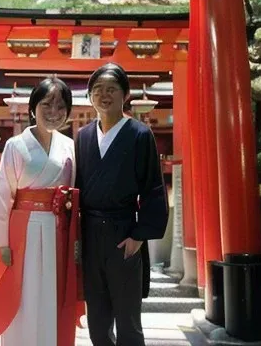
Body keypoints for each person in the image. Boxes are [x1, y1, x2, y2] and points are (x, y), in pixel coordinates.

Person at [75, 63, 168, 346]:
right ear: (90, 95)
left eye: (112, 89)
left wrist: (138, 236)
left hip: (123, 233)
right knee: (97, 320)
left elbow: (153, 187)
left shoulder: (139, 134)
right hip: (90, 233)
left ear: (125, 94)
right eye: (98, 89)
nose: (104, 95)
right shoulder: (83, 136)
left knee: (128, 319)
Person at [0, 77, 79, 346]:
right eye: (47, 104)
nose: (54, 112)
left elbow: (73, 190)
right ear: (33, 107)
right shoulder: (15, 145)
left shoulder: (69, 146)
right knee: (22, 292)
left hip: (58, 228)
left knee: (52, 291)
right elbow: (3, 194)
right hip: (21, 228)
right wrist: (1, 243)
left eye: (61, 107)